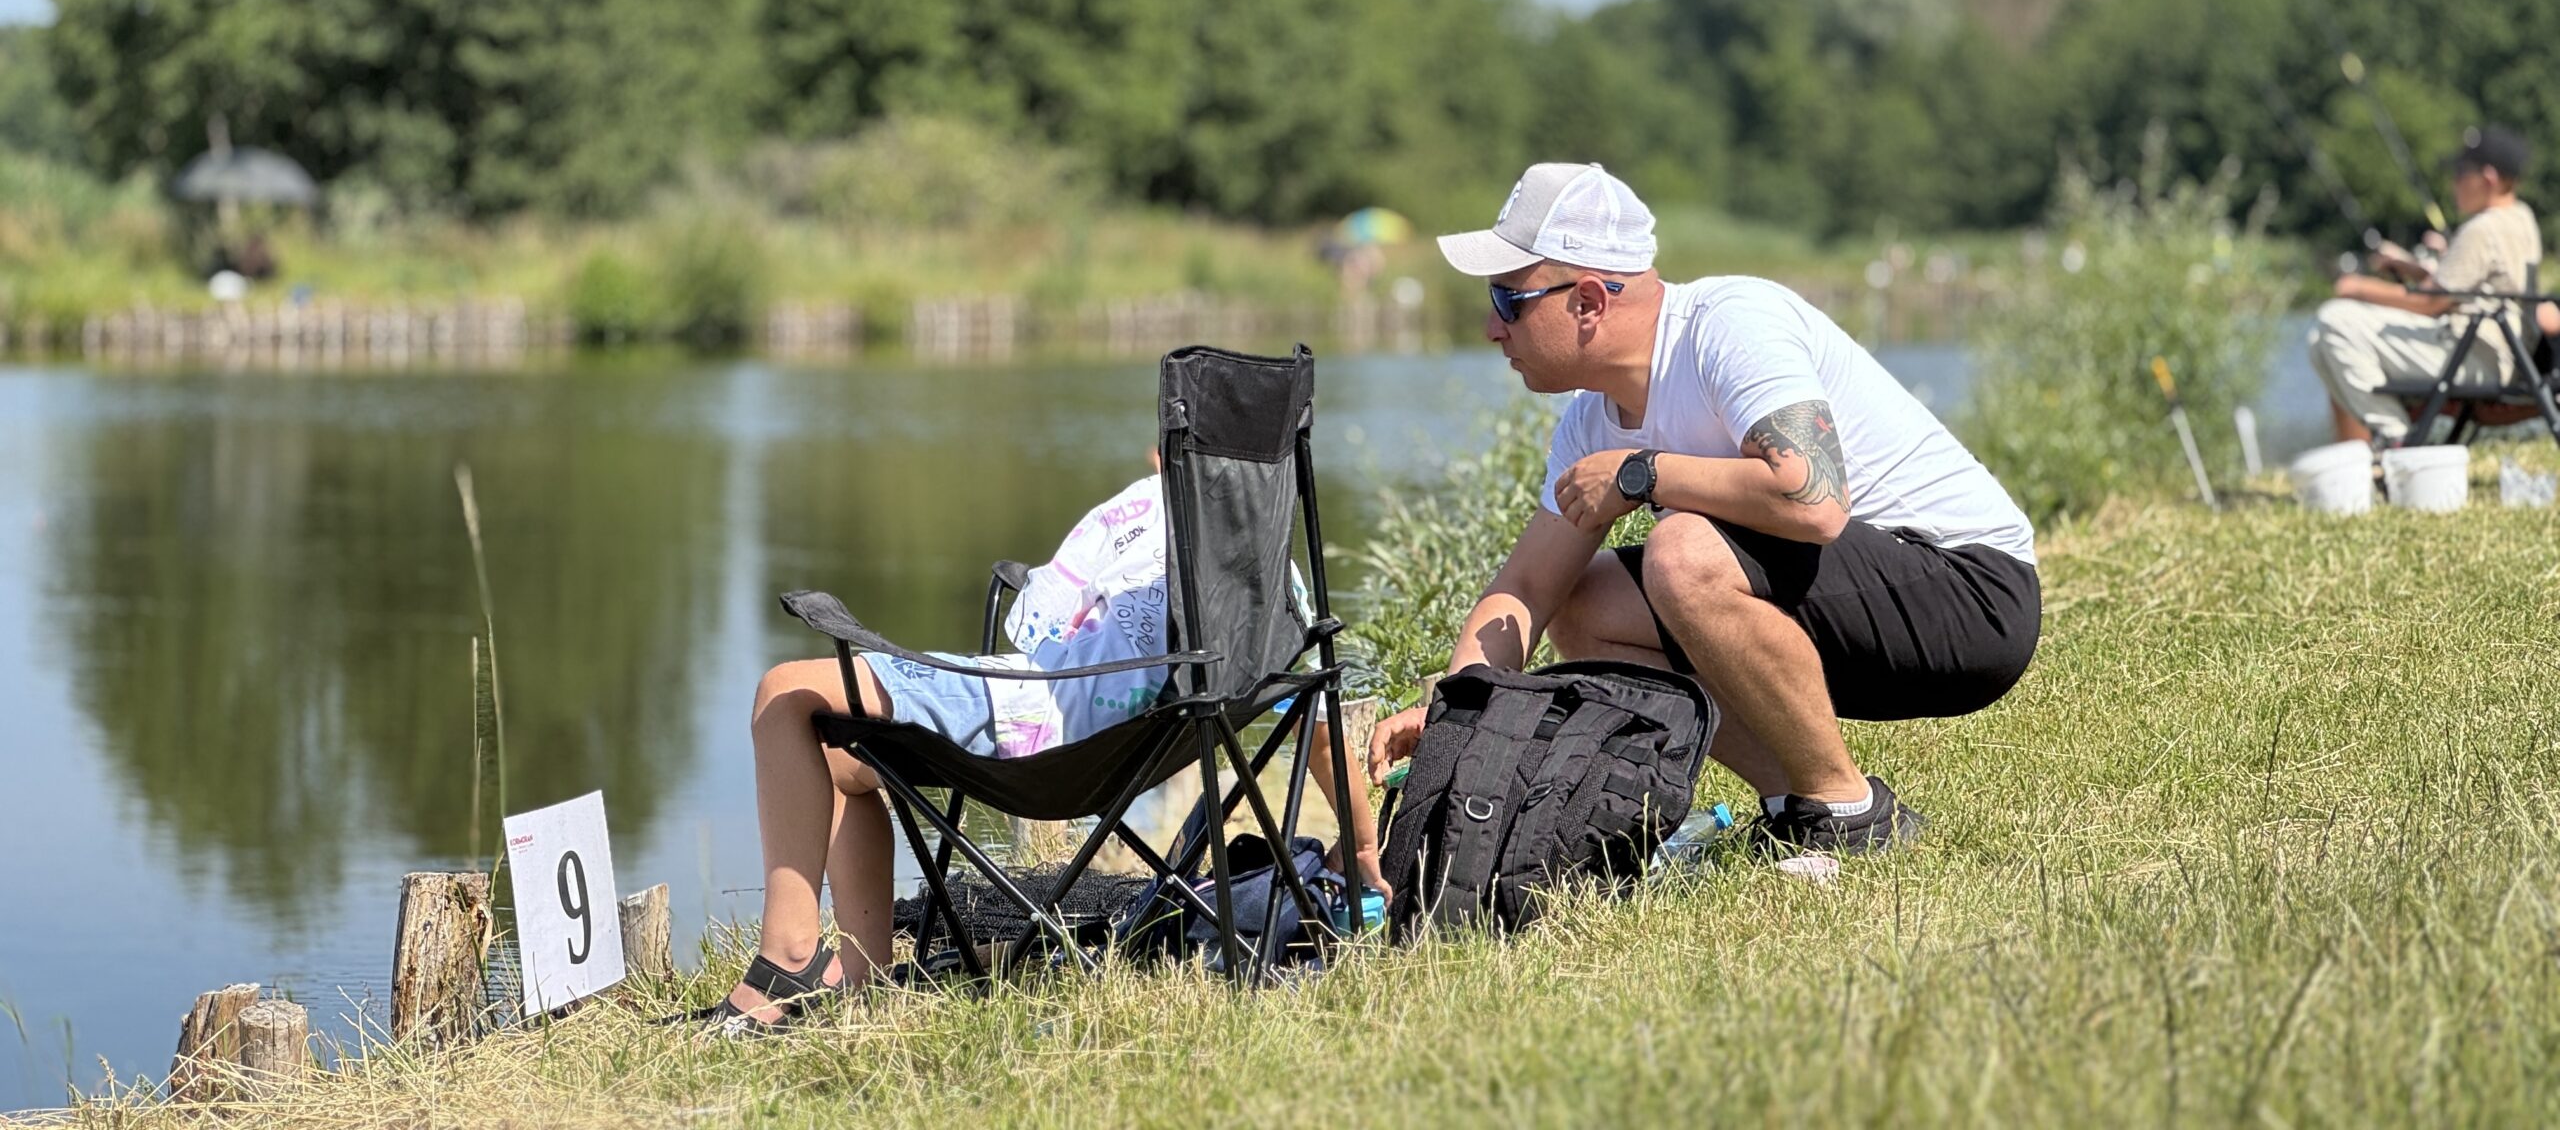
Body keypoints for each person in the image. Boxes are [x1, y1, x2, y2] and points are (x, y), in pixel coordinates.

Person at [1365, 163, 2040, 856]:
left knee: (1682, 550)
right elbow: (1529, 589)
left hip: (1973, 598)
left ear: (1589, 300)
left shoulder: (1728, 325)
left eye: (1508, 300)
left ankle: (1848, 813)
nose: (1491, 328)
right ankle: (1794, 806)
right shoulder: (1589, 421)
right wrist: (1454, 713)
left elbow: (1815, 501)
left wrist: (1641, 473)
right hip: (1860, 605)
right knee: (1582, 604)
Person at [684, 453, 1377, 1032]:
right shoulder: (1273, 586)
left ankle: (788, 960)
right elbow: (1318, 727)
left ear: (1168, 457)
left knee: (785, 692)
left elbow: (1036, 620)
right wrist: (1364, 852)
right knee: (842, 761)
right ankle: (865, 981)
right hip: (1129, 751)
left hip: (1035, 726)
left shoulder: (1143, 511)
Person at [2310, 125, 2545, 446]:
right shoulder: (2520, 217)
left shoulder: (2483, 228)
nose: (2453, 183)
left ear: (2488, 178)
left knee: (2334, 319)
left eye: (2461, 173)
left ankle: (2396, 439)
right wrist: (2413, 269)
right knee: (2319, 341)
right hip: (2498, 354)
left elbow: (2430, 303)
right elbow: (2468, 285)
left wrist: (2358, 287)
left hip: (2474, 356)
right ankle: (2388, 438)